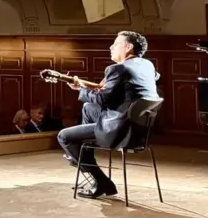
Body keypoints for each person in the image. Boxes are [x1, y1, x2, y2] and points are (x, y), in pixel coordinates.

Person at [58, 31, 159, 199]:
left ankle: (100, 180)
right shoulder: (147, 65)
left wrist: (81, 89)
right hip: (140, 130)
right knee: (89, 108)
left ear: (128, 47)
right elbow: (150, 79)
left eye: (116, 43)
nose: (111, 47)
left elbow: (102, 98)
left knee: (64, 137)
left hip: (120, 131)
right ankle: (83, 156)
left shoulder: (117, 68)